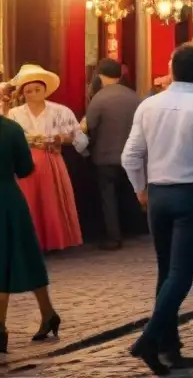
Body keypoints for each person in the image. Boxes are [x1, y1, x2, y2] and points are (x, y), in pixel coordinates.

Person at [122, 43, 193, 375]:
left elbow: (130, 155)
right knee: (181, 275)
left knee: (166, 272)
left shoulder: (148, 105)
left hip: (158, 194)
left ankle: (169, 346)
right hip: (191, 193)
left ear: (170, 68)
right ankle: (150, 339)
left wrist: (140, 188)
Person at [8, 64, 87, 253]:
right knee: (28, 201)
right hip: (25, 161)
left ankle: (54, 241)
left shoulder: (60, 111)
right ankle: (29, 242)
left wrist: (60, 139)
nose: (33, 93)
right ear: (22, 94)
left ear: (45, 90)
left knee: (51, 202)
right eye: (28, 91)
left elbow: (79, 138)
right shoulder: (15, 113)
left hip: (51, 161)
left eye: (37, 89)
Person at [0, 115, 60, 353]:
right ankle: (48, 313)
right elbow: (25, 169)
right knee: (25, 254)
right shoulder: (11, 128)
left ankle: (0, 327)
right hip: (10, 199)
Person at [84, 57, 140, 250]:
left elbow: (89, 126)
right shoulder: (134, 97)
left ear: (99, 75)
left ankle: (113, 237)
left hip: (106, 156)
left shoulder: (99, 98)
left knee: (108, 196)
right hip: (132, 155)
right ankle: (134, 230)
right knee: (129, 193)